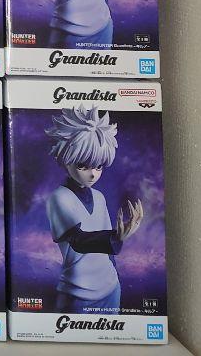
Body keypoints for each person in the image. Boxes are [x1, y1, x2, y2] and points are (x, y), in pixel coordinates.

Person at [45, 105, 143, 313]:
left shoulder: (99, 197)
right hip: (77, 292)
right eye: (83, 166)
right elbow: (79, 240)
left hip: (111, 288)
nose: (93, 174)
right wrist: (116, 237)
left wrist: (116, 243)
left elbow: (108, 253)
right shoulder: (59, 198)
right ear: (65, 159)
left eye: (98, 167)